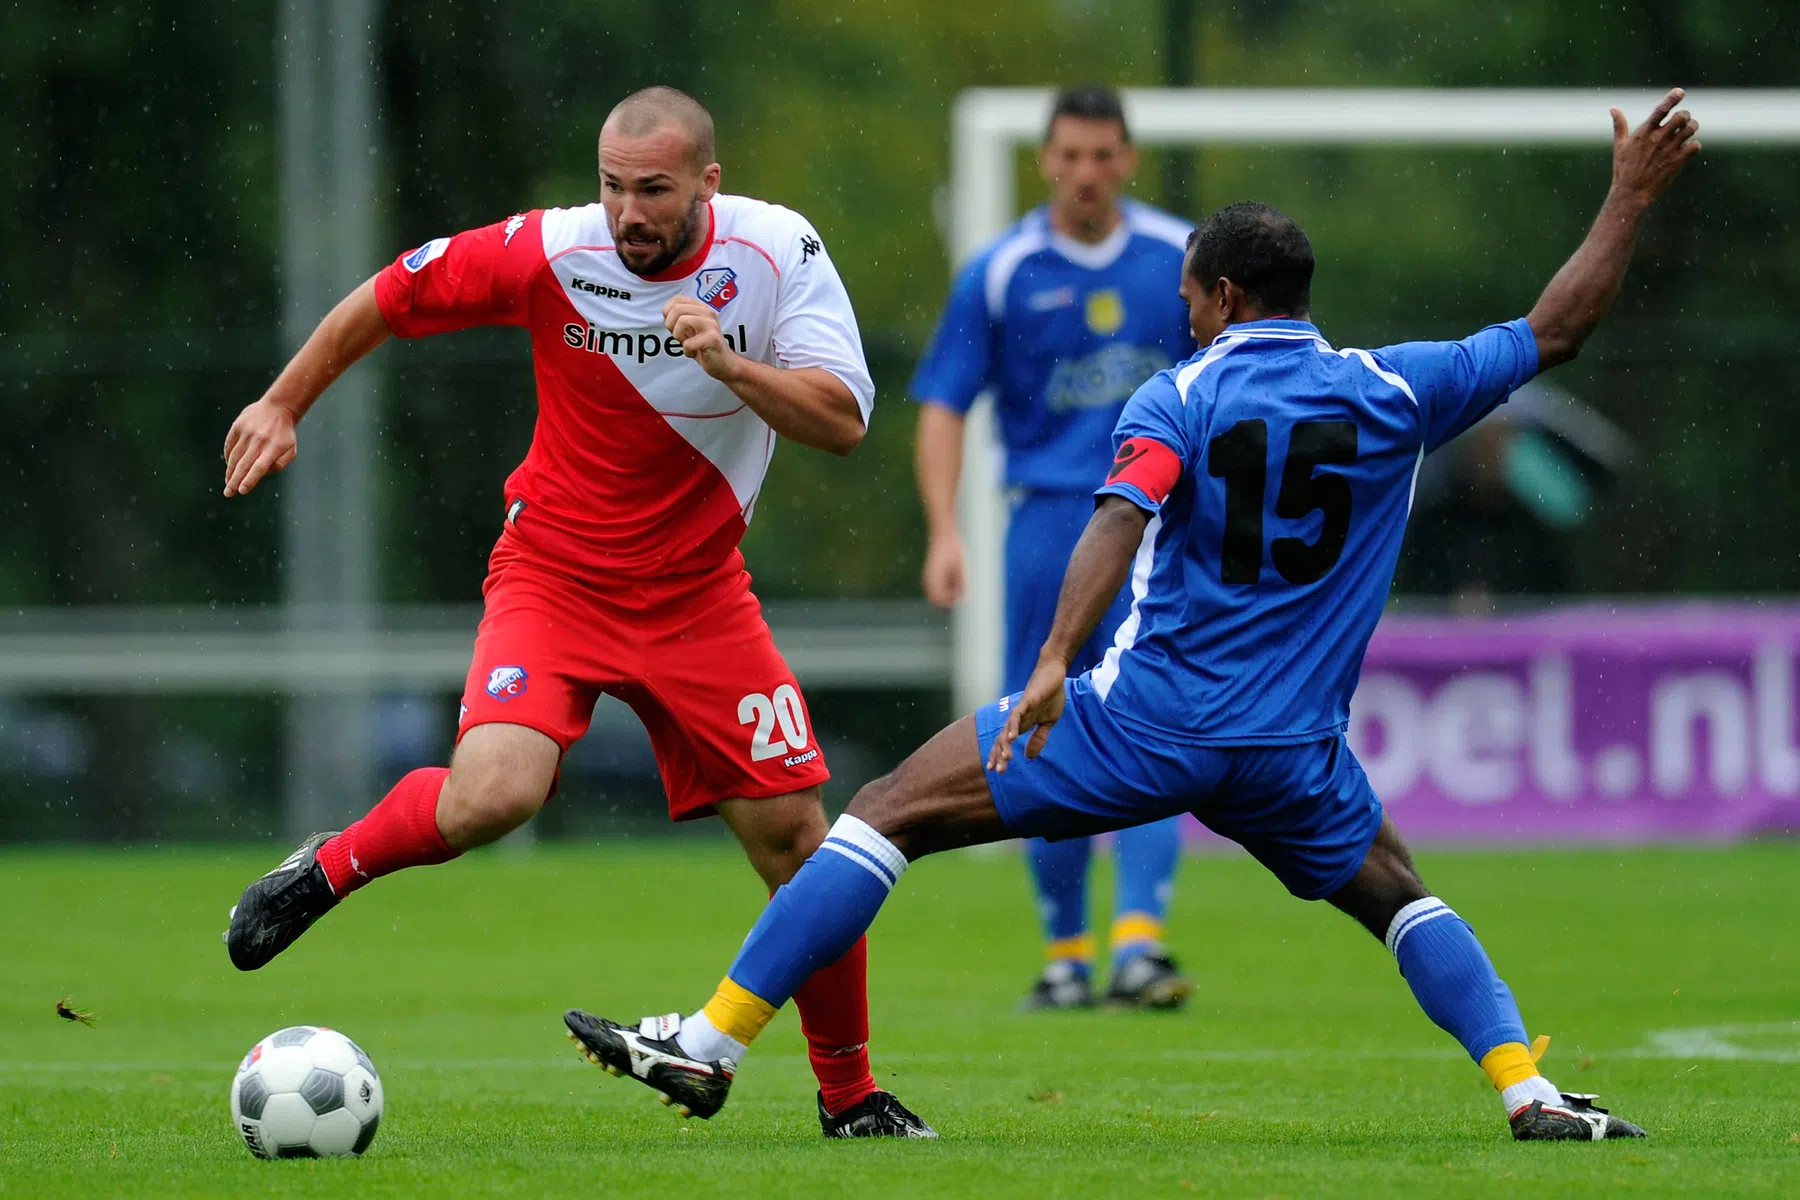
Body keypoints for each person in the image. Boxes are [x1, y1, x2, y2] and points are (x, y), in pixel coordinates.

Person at [565, 89, 1701, 1141]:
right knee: (1399, 894)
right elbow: (1557, 327)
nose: (1184, 314)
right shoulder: (1397, 388)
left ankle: (711, 1042)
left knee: (884, 812)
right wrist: (1630, 195)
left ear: (1224, 298)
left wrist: (1054, 660)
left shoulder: (1181, 393)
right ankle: (1529, 1090)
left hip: (1149, 718)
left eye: (1191, 298)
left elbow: (1119, 518)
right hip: (1292, 750)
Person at [218, 86, 934, 1140]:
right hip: (555, 576)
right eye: (612, 187)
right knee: (492, 798)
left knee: (797, 839)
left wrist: (729, 364)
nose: (629, 212)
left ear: (709, 183)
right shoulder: (552, 249)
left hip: (699, 595)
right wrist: (283, 401)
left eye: (655, 190)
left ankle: (851, 1097)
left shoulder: (778, 251)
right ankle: (329, 867)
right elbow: (393, 291)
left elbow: (843, 421)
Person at [911, 84, 1196, 1010]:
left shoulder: (1180, 260)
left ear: (1129, 160)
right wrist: (945, 530)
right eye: (1070, 155)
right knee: (1041, 720)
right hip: (1045, 525)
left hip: (1155, 523)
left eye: (1103, 155)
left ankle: (1140, 946)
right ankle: (1066, 954)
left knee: (1158, 720)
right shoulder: (1000, 272)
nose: (1087, 173)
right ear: (1045, 161)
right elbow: (944, 404)